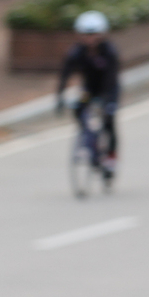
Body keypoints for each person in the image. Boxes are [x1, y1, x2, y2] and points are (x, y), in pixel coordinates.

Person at [54, 10, 122, 184]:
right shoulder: (77, 52)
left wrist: (108, 101)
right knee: (79, 109)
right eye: (86, 35)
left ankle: (110, 159)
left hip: (108, 89)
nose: (90, 39)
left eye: (94, 34)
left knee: (109, 120)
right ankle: (88, 140)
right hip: (89, 90)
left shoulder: (109, 52)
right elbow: (65, 75)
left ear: (102, 34)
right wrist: (59, 97)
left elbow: (112, 77)